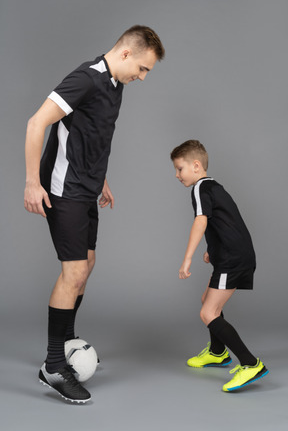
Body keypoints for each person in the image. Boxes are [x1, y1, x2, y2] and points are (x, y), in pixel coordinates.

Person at [24, 25, 165, 404]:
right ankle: (53, 366)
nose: (142, 77)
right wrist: (31, 182)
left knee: (87, 263)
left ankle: (68, 343)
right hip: (63, 191)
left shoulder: (117, 86)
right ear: (124, 55)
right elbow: (37, 122)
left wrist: (100, 178)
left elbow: (93, 135)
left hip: (87, 189)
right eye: (142, 68)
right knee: (73, 272)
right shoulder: (85, 79)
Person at [170, 140, 268, 392]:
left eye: (179, 169)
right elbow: (227, 222)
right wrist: (211, 250)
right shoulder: (213, 187)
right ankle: (217, 352)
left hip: (233, 259)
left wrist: (188, 257)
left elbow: (201, 222)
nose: (177, 175)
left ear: (196, 165)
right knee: (207, 301)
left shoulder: (200, 189)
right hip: (234, 255)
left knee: (208, 313)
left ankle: (250, 363)